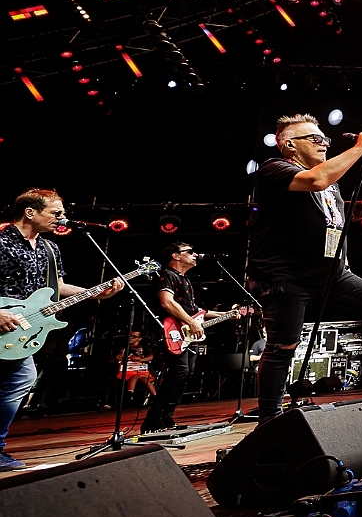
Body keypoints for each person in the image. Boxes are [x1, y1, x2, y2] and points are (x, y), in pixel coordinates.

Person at [247, 116, 362, 423]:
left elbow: (334, 223)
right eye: (314, 139)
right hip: (287, 275)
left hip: (330, 272)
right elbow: (317, 180)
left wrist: (343, 262)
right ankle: (270, 418)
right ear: (290, 145)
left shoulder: (330, 181)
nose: (324, 144)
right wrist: (360, 147)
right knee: (283, 345)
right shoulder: (275, 169)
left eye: (324, 139)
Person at [0, 189, 124, 470]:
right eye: (56, 213)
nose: (62, 218)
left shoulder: (49, 248)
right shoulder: (2, 242)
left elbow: (57, 287)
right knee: (19, 379)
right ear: (30, 212)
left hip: (20, 330)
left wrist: (96, 293)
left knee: (21, 380)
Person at [145, 241, 240, 433]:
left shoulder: (185, 280)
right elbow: (167, 302)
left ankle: (166, 417)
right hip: (173, 331)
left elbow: (197, 312)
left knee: (186, 373)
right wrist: (190, 322)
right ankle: (153, 419)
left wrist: (226, 315)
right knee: (178, 372)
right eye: (189, 251)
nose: (195, 255)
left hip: (188, 333)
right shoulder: (166, 275)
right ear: (175, 256)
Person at [111, 330, 155, 408]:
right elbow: (115, 358)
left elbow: (151, 356)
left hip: (141, 369)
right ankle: (130, 394)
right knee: (135, 376)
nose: (131, 338)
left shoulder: (144, 347)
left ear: (140, 338)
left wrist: (141, 359)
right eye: (130, 336)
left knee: (145, 379)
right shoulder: (122, 347)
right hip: (128, 369)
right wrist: (119, 357)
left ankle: (155, 396)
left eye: (134, 336)